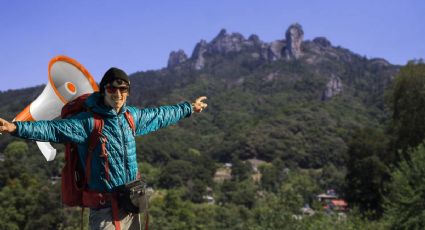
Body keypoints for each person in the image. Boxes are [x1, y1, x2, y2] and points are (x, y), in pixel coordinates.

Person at [0, 67, 208, 230]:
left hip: (131, 205)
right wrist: (15, 127)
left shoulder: (131, 117)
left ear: (128, 92)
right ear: (103, 91)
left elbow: (161, 115)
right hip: (104, 211)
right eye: (112, 89)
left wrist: (190, 108)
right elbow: (52, 129)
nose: (117, 93)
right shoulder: (88, 122)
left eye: (123, 89)